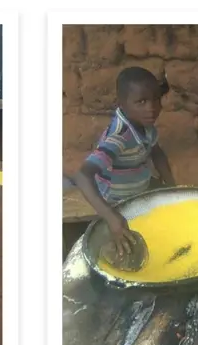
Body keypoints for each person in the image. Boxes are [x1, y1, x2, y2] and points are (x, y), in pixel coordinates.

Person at [66, 66, 175, 256]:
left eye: (156, 99)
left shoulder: (145, 125)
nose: (151, 108)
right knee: (129, 250)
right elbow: (83, 175)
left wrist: (173, 187)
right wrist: (112, 218)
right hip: (116, 199)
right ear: (122, 104)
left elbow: (157, 152)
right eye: (141, 101)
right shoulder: (119, 137)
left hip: (139, 184)